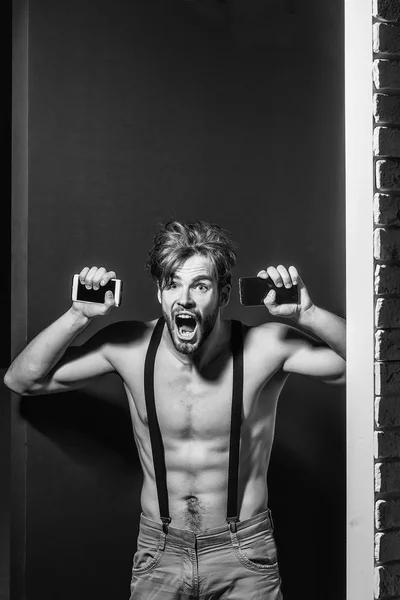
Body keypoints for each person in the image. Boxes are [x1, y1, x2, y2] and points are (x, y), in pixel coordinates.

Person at [4, 220, 346, 599]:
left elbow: (368, 368)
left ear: (223, 293)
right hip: (160, 551)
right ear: (160, 294)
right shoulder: (128, 348)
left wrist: (308, 313)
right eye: (173, 284)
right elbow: (23, 380)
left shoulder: (265, 347)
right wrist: (78, 316)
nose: (185, 299)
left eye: (200, 286)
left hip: (243, 552)